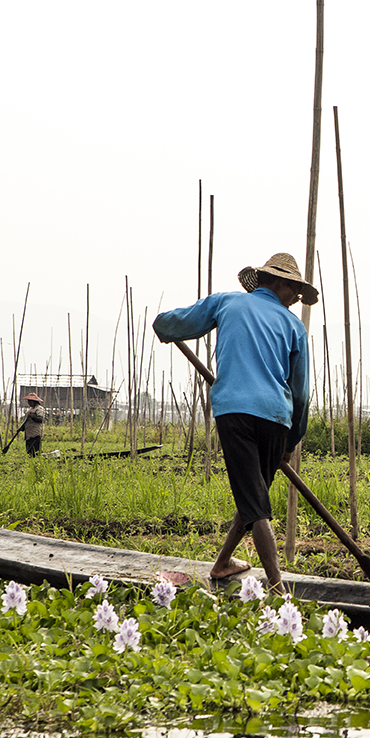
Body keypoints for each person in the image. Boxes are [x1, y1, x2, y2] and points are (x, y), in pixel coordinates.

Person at [154, 252, 317, 589]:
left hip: (236, 412)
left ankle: (236, 567)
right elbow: (300, 394)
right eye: (294, 292)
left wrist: (165, 328)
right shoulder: (293, 327)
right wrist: (291, 440)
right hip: (275, 418)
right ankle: (277, 586)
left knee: (253, 498)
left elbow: (169, 323)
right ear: (281, 283)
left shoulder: (226, 304)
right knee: (255, 497)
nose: (295, 300)